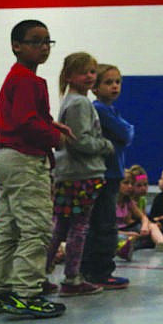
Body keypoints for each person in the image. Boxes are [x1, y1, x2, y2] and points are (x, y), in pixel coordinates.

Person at [0, 20, 74, 319]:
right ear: (16, 46)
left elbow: (31, 116)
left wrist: (51, 124)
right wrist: (55, 138)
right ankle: (26, 294)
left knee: (9, 229)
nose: (43, 47)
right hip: (23, 159)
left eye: (48, 41)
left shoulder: (22, 78)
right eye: (35, 41)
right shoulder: (26, 79)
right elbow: (26, 122)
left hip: (7, 157)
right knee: (35, 228)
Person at [46, 51, 114, 297]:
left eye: (92, 71)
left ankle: (39, 274)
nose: (89, 76)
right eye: (83, 71)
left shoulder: (70, 100)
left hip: (70, 173)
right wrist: (105, 146)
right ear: (69, 76)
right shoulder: (79, 103)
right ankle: (72, 278)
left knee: (61, 226)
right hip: (82, 174)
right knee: (78, 227)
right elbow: (80, 140)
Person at [81, 63, 133, 290]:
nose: (114, 86)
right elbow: (126, 132)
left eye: (117, 82)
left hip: (113, 173)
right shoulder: (100, 109)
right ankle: (100, 271)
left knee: (102, 223)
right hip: (105, 173)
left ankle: (94, 269)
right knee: (104, 224)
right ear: (95, 87)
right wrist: (126, 130)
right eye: (108, 82)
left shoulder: (111, 110)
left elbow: (126, 132)